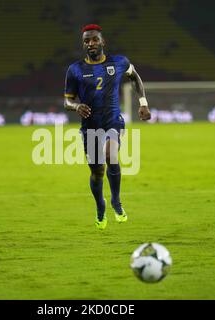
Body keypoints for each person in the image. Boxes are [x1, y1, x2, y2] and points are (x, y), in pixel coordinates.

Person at [64, 24, 151, 230]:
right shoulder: (75, 69)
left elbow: (135, 77)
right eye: (86, 41)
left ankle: (116, 201)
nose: (91, 44)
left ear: (103, 41)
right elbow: (67, 101)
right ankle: (100, 205)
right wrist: (76, 107)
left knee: (111, 154)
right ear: (83, 45)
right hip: (90, 126)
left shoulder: (119, 62)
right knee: (97, 172)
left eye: (94, 39)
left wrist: (143, 103)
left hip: (112, 120)